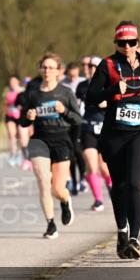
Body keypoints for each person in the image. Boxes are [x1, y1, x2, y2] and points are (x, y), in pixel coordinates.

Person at [84, 21, 140, 260]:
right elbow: (91, 97)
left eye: (131, 42)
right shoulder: (107, 65)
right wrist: (112, 91)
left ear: (138, 42)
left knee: (134, 183)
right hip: (114, 134)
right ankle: (122, 230)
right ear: (116, 44)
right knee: (119, 186)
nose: (127, 47)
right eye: (122, 43)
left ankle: (135, 239)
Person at [20, 54, 84, 239]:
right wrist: (28, 117)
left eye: (51, 67)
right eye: (44, 67)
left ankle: (65, 200)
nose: (47, 71)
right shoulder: (32, 93)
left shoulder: (65, 93)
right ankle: (50, 224)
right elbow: (23, 121)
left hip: (61, 140)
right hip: (39, 141)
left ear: (58, 71)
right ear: (40, 70)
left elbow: (78, 119)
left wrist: (64, 111)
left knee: (57, 189)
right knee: (43, 183)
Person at [76, 56, 113, 211]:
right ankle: (98, 200)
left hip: (105, 129)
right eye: (89, 66)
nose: (91, 69)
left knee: (104, 168)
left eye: (95, 66)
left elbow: (117, 103)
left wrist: (107, 103)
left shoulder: (109, 84)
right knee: (91, 166)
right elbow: (78, 106)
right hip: (88, 128)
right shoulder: (82, 86)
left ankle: (111, 187)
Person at [61, 62, 87, 195]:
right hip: (66, 121)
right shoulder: (62, 84)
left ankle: (83, 177)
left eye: (74, 76)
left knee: (78, 150)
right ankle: (73, 181)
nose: (72, 78)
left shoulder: (82, 82)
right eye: (70, 76)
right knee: (70, 152)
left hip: (80, 120)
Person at [3, 76, 24, 167]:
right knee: (11, 135)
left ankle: (19, 154)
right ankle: (12, 155)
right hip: (10, 115)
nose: (12, 83)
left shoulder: (22, 90)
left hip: (20, 115)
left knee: (19, 135)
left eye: (14, 81)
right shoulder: (7, 91)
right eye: (11, 81)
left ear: (18, 81)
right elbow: (5, 104)